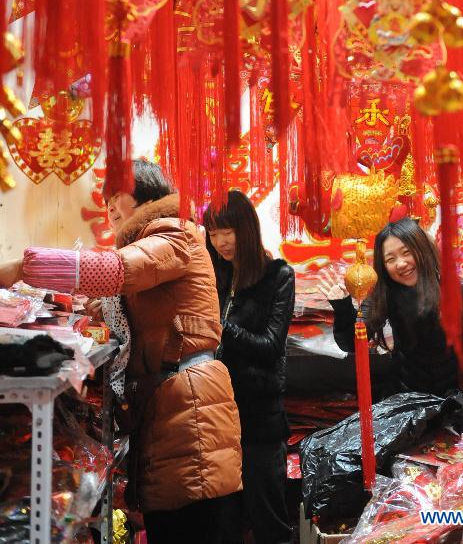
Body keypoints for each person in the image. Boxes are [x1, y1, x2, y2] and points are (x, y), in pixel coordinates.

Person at [0, 160, 242, 543]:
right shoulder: (158, 240)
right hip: (169, 400)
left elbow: (116, 270)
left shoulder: (173, 234)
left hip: (187, 400)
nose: (110, 208)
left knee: (194, 519)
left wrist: (21, 268)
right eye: (106, 200)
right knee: (177, 519)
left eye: (117, 196)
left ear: (147, 192)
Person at [318, 215, 463, 437]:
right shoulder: (384, 295)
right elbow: (351, 343)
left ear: (422, 249)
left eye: (406, 252)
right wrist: (343, 307)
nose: (401, 264)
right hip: (409, 406)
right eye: (390, 259)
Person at [204, 190, 295, 544]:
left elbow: (271, 347)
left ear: (247, 228)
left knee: (268, 519)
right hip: (218, 415)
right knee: (223, 522)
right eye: (213, 233)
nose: (221, 241)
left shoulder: (277, 275)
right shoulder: (214, 277)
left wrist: (220, 326)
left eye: (228, 231)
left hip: (260, 417)